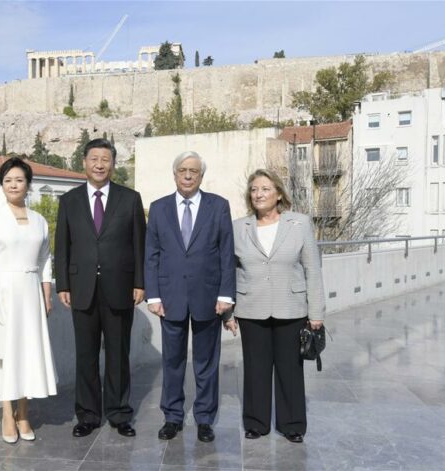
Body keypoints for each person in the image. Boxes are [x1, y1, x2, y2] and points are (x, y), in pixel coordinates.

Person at [224, 168, 325, 443]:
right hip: (250, 307)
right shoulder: (238, 227)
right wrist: (229, 313)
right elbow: (228, 271)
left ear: (278, 193)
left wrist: (316, 313)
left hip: (291, 307)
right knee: (255, 369)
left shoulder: (299, 223)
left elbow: (312, 269)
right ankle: (256, 423)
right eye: (254, 189)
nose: (259, 194)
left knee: (290, 369)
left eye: (265, 188)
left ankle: (292, 425)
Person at [55, 138, 146, 438]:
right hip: (81, 289)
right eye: (94, 158)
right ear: (84, 162)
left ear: (113, 164)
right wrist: (63, 284)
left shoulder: (130, 198)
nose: (99, 164)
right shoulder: (68, 201)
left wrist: (139, 283)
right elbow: (63, 246)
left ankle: (120, 414)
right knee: (86, 356)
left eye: (105, 159)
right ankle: (88, 415)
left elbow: (139, 245)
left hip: (120, 287)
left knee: (119, 355)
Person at [0, 157, 57, 444]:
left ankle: (24, 413)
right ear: (2, 185)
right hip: (3, 290)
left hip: (31, 291)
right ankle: (7, 412)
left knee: (29, 351)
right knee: (6, 353)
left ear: (27, 184)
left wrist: (46, 292)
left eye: (19, 179)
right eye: (8, 180)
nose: (14, 184)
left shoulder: (39, 220)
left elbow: (45, 260)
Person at [144, 151, 236, 443]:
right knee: (172, 361)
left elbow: (225, 253)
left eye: (193, 171)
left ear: (201, 176)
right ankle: (172, 416)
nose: (187, 175)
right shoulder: (158, 208)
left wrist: (226, 296)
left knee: (206, 362)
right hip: (170, 298)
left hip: (208, 297)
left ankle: (205, 419)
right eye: (182, 170)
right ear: (174, 174)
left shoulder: (218, 206)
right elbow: (152, 255)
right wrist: (153, 296)